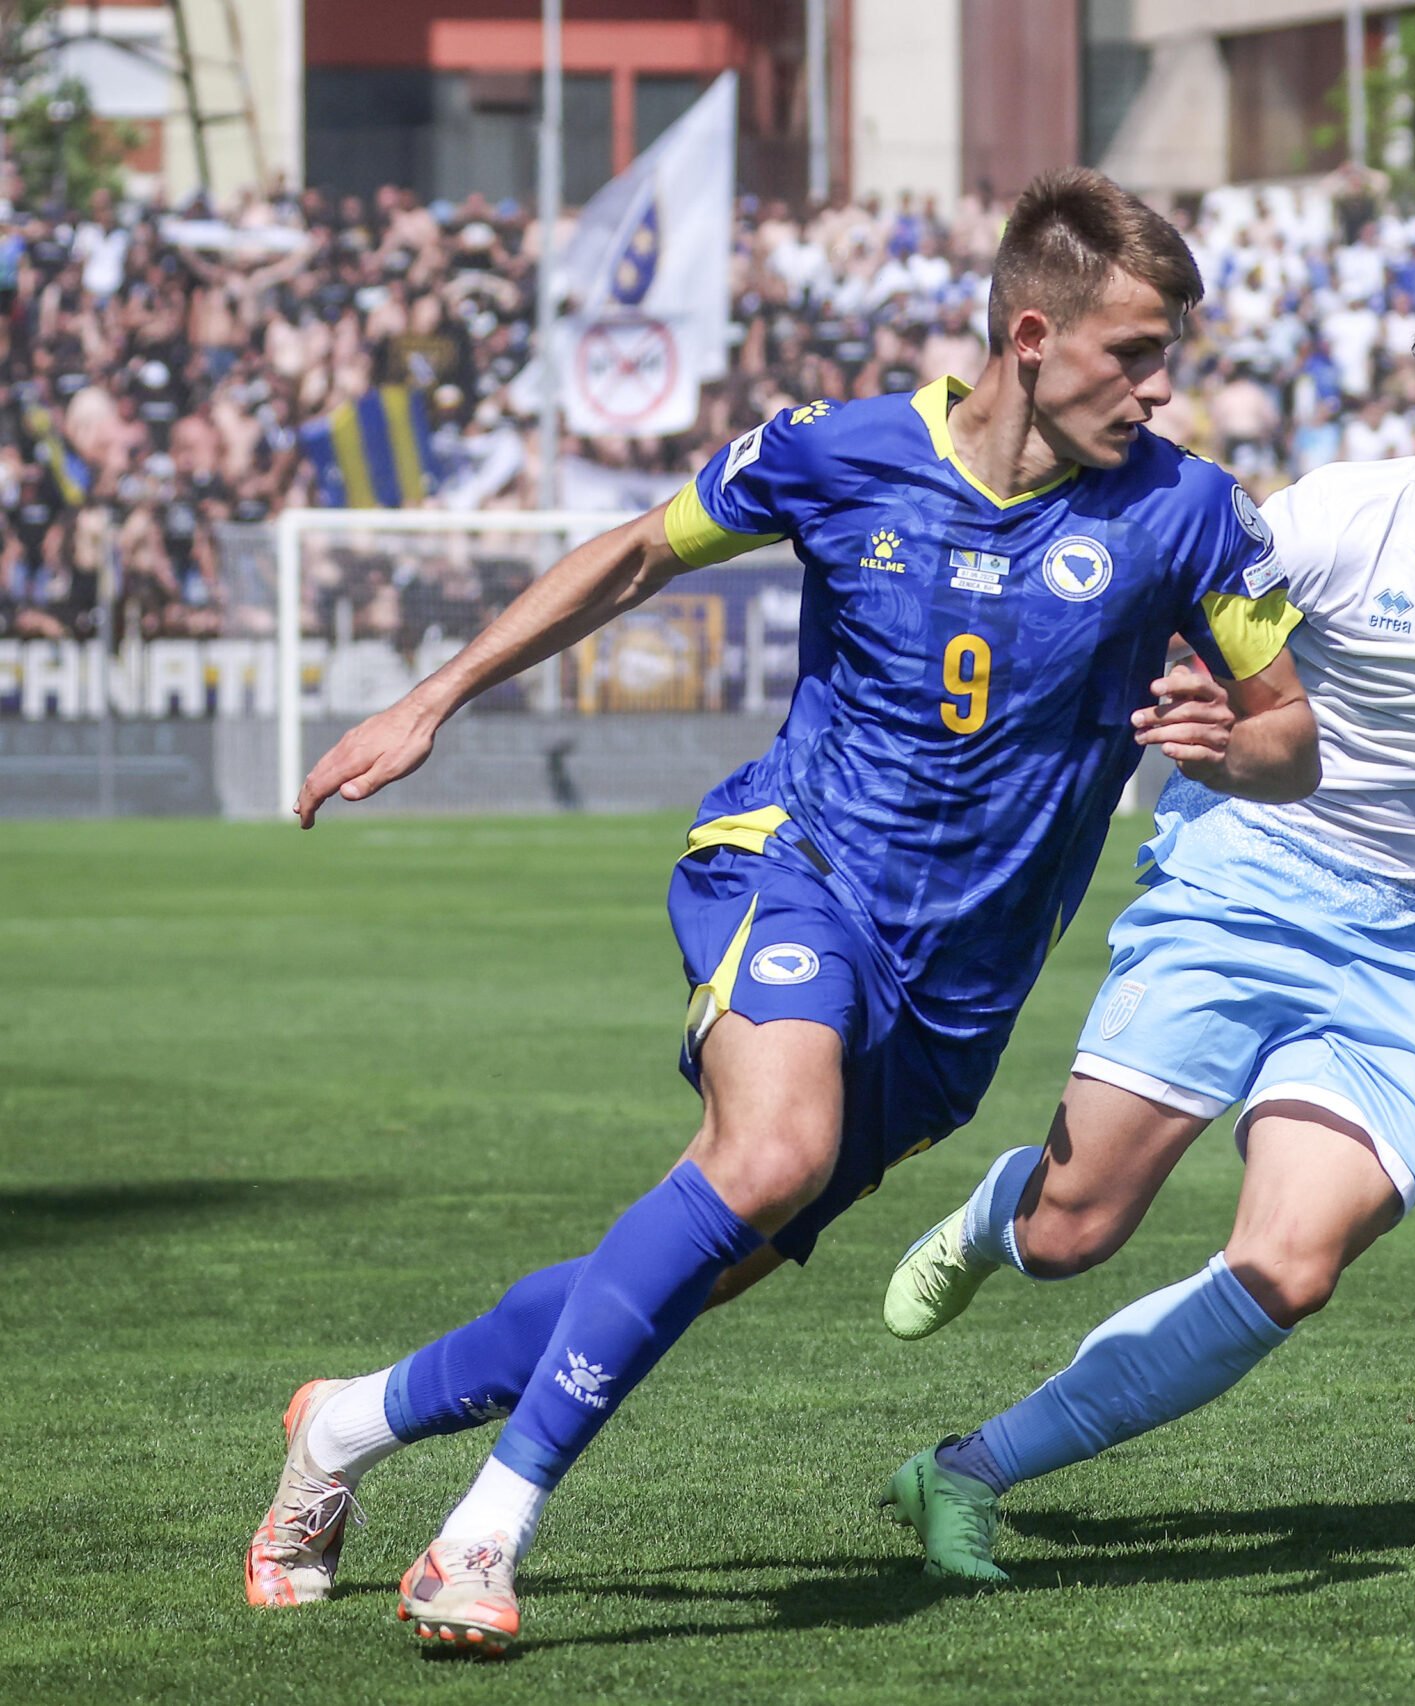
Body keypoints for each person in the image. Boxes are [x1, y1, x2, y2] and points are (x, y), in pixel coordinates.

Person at [241, 168, 1318, 1653]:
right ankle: (481, 1537)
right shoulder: (842, 450)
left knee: (707, 1253)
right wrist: (435, 699)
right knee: (768, 1149)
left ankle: (349, 1418)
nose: (1161, 385)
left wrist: (1231, 746)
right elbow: (630, 553)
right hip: (792, 860)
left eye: (1169, 355)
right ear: (1028, 333)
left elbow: (1294, 735)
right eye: (1134, 352)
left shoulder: (1193, 515)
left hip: (957, 993)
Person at [869, 275, 1415, 1581]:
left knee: (1292, 1264)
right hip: (1244, 884)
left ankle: (968, 1469)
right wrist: (1186, 695)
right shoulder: (1329, 526)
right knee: (1074, 1233)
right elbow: (1174, 622)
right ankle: (993, 1219)